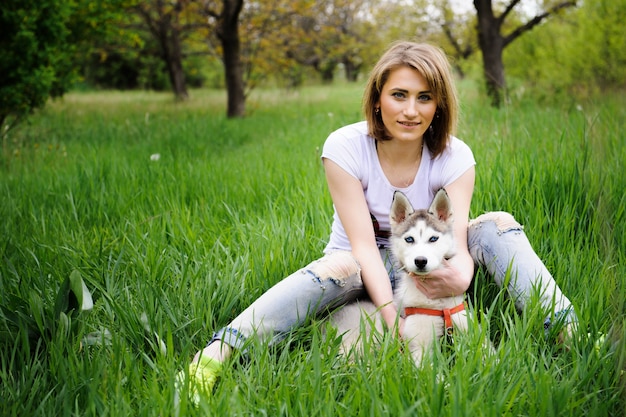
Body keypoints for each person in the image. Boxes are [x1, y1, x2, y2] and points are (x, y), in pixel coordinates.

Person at [176, 41, 577, 401]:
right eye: (398, 95)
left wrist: (463, 278)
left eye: (425, 98)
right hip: (360, 262)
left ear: (439, 106)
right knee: (340, 263)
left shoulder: (455, 155)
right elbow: (365, 247)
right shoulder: (345, 146)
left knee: (497, 223)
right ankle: (212, 358)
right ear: (377, 99)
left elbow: (457, 235)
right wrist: (395, 317)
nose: (410, 110)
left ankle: (570, 333)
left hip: (431, 254)